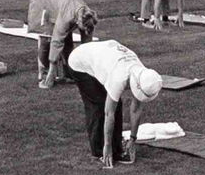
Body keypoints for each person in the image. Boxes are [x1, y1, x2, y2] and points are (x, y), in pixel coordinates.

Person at [67, 40, 163, 168]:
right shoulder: (119, 77)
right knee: (99, 105)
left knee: (114, 102)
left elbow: (136, 109)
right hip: (79, 62)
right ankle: (99, 152)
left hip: (103, 58)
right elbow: (109, 113)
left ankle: (117, 148)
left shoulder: (143, 74)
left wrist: (133, 139)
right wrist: (107, 145)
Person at [27, 0, 97, 88]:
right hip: (42, 2)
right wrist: (53, 67)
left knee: (68, 39)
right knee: (46, 39)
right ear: (79, 22)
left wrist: (89, 67)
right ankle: (44, 76)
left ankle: (69, 73)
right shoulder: (67, 17)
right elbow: (57, 41)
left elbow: (87, 45)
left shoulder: (88, 16)